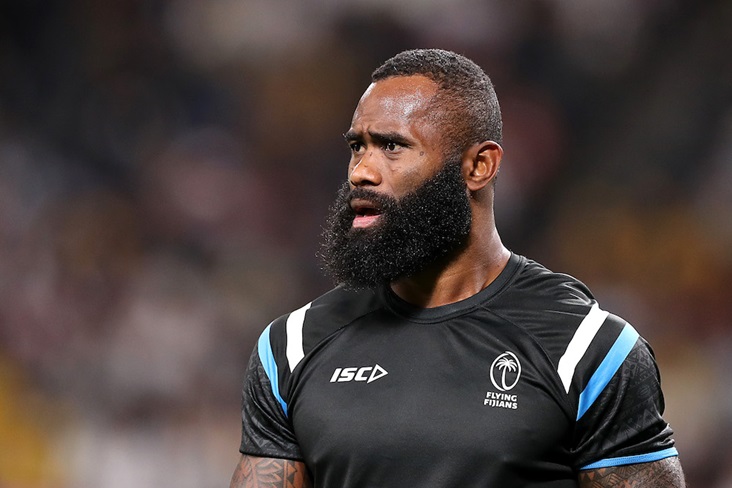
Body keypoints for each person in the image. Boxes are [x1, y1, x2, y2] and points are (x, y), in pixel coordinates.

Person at [229, 49, 685, 487]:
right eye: (357, 146)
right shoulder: (292, 346)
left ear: (479, 166)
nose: (360, 172)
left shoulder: (587, 349)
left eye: (392, 146)